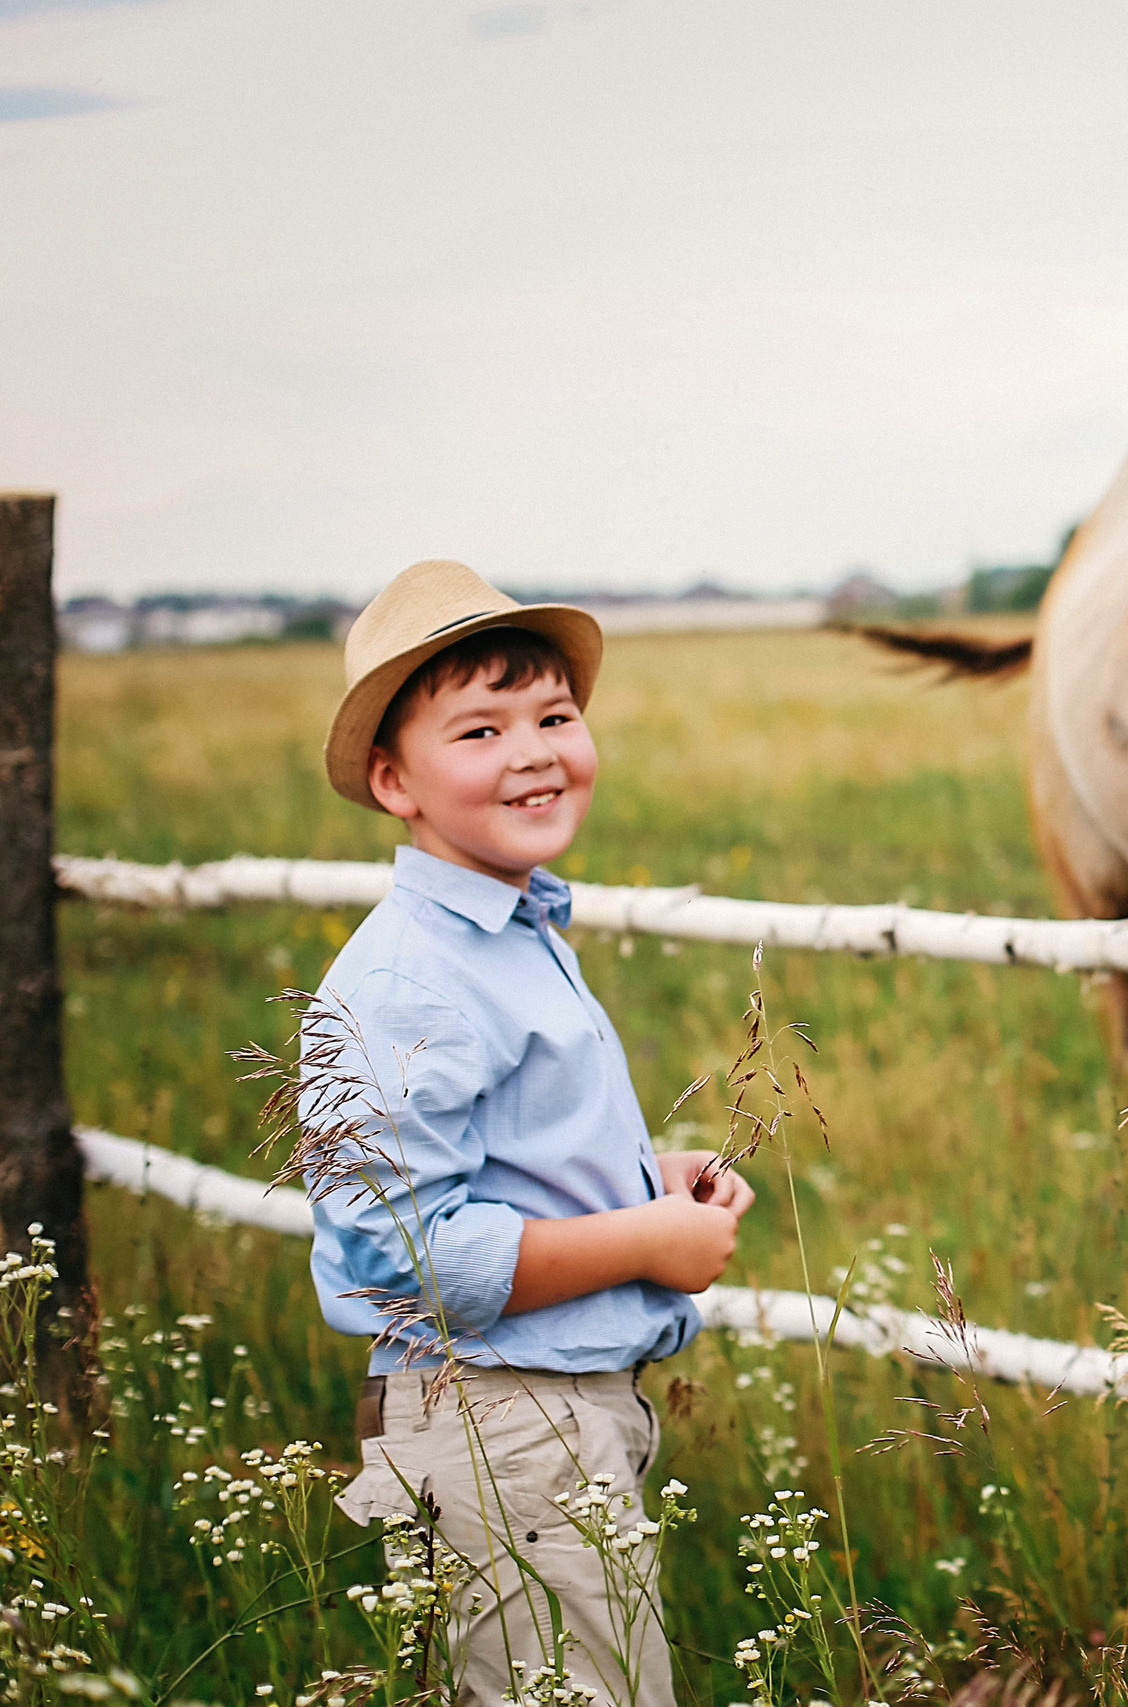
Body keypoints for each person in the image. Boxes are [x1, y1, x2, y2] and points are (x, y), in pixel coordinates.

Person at [306, 559, 752, 1707]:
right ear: (392, 778)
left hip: (552, 1412)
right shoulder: (412, 976)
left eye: (555, 716)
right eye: (481, 730)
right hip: (504, 1420)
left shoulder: (511, 930)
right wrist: (648, 1244)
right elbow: (407, 1258)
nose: (534, 751)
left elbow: (493, 1165)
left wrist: (641, 1179)